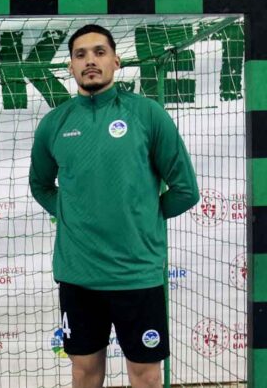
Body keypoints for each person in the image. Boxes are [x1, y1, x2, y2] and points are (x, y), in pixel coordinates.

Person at [29, 24, 199, 388]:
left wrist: (142, 216)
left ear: (116, 62)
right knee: (84, 373)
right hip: (79, 276)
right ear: (70, 67)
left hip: (136, 275)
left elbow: (186, 190)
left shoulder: (148, 114)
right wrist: (71, 212)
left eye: (99, 52)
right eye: (80, 55)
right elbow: (40, 185)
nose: (90, 60)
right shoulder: (53, 124)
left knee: (147, 377)